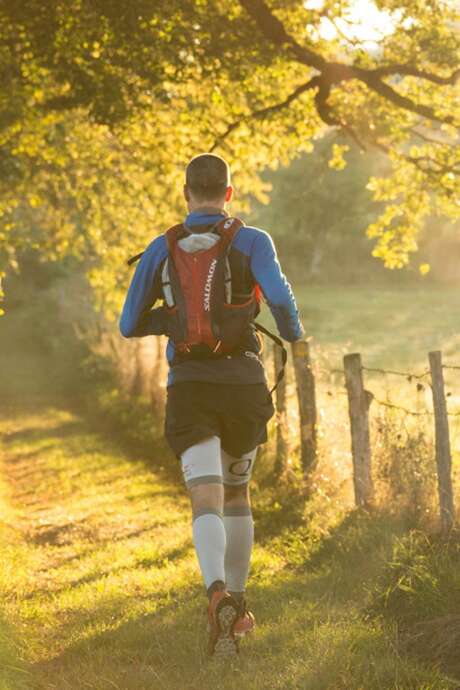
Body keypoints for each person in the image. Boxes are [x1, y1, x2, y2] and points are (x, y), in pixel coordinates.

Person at [119, 153, 304, 658]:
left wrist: (172, 323)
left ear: (186, 193)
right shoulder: (252, 240)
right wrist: (295, 337)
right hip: (243, 383)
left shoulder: (162, 247)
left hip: (191, 386)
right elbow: (283, 301)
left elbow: (129, 324)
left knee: (205, 497)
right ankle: (239, 604)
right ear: (227, 193)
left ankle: (216, 593)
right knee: (237, 493)